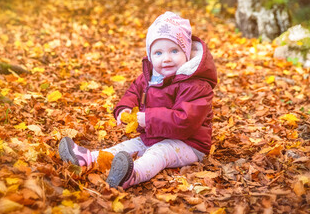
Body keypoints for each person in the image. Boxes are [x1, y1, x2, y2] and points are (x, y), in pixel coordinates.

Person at [58, 11, 217, 189]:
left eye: (174, 51)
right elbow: (133, 91)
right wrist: (125, 108)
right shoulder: (152, 76)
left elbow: (186, 121)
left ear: (186, 52)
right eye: (158, 53)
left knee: (159, 153)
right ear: (150, 56)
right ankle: (89, 159)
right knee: (127, 146)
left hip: (189, 144)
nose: (166, 58)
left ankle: (132, 174)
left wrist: (148, 119)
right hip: (155, 134)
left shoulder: (196, 84)